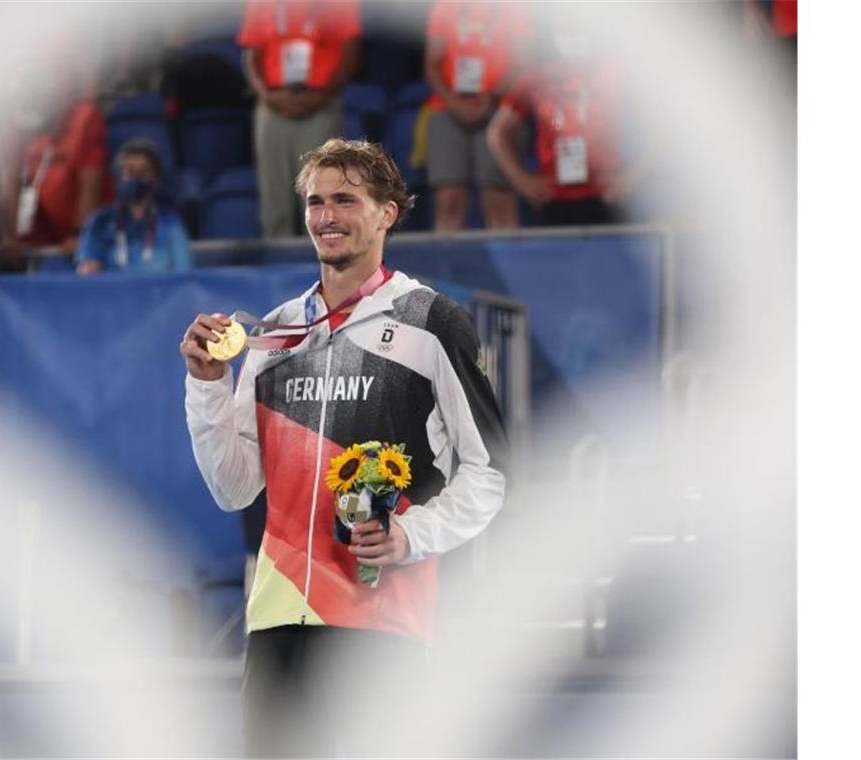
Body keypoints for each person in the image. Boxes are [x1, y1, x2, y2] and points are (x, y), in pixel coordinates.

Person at [180, 138, 508, 756]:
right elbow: (234, 487)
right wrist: (205, 387)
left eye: (346, 200)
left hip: (384, 622)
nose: (326, 216)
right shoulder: (276, 333)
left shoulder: (430, 321)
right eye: (315, 201)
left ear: (387, 212)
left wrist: (412, 536)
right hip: (279, 616)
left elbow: (490, 473)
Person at [486, 19, 641, 227]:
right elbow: (497, 133)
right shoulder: (536, 78)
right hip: (553, 198)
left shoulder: (616, 73)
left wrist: (633, 177)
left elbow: (663, 126)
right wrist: (521, 181)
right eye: (565, 28)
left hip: (606, 196)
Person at [237, 0, 361, 239]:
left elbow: (350, 55)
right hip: (273, 102)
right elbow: (251, 56)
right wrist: (266, 96)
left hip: (319, 102)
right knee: (274, 199)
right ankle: (277, 264)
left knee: (322, 192)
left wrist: (319, 98)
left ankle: (323, 262)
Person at [424, 0, 533, 230]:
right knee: (448, 199)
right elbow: (432, 64)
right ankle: (445, 266)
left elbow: (523, 62)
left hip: (500, 109)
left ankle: (507, 265)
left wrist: (491, 99)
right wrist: (455, 103)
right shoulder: (446, 6)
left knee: (499, 198)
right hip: (448, 107)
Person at [0, 55, 111, 272]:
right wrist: (12, 236)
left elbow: (90, 183)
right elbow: (11, 180)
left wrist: (79, 234)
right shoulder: (15, 123)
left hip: (90, 231)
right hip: (49, 228)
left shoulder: (84, 118)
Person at [75, 139, 191, 274]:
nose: (136, 177)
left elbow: (183, 273)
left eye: (143, 172)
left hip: (160, 293)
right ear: (118, 177)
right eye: (129, 171)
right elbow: (87, 271)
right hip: (112, 293)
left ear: (156, 179)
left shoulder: (170, 222)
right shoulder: (100, 221)